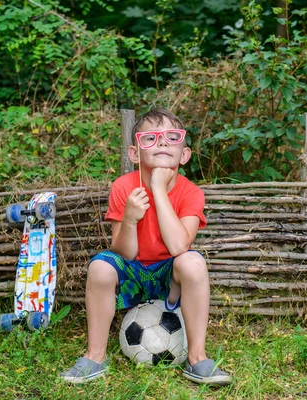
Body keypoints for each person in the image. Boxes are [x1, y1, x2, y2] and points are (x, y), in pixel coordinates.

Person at [60, 108, 231, 386]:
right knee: (101, 266)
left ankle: (197, 358)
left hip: (169, 279)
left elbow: (179, 246)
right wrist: (129, 218)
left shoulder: (191, 192)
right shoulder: (122, 187)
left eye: (171, 137)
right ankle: (95, 356)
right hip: (133, 274)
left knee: (193, 261)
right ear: (135, 153)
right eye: (150, 138)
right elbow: (124, 253)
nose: (162, 143)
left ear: (184, 155)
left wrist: (159, 189)